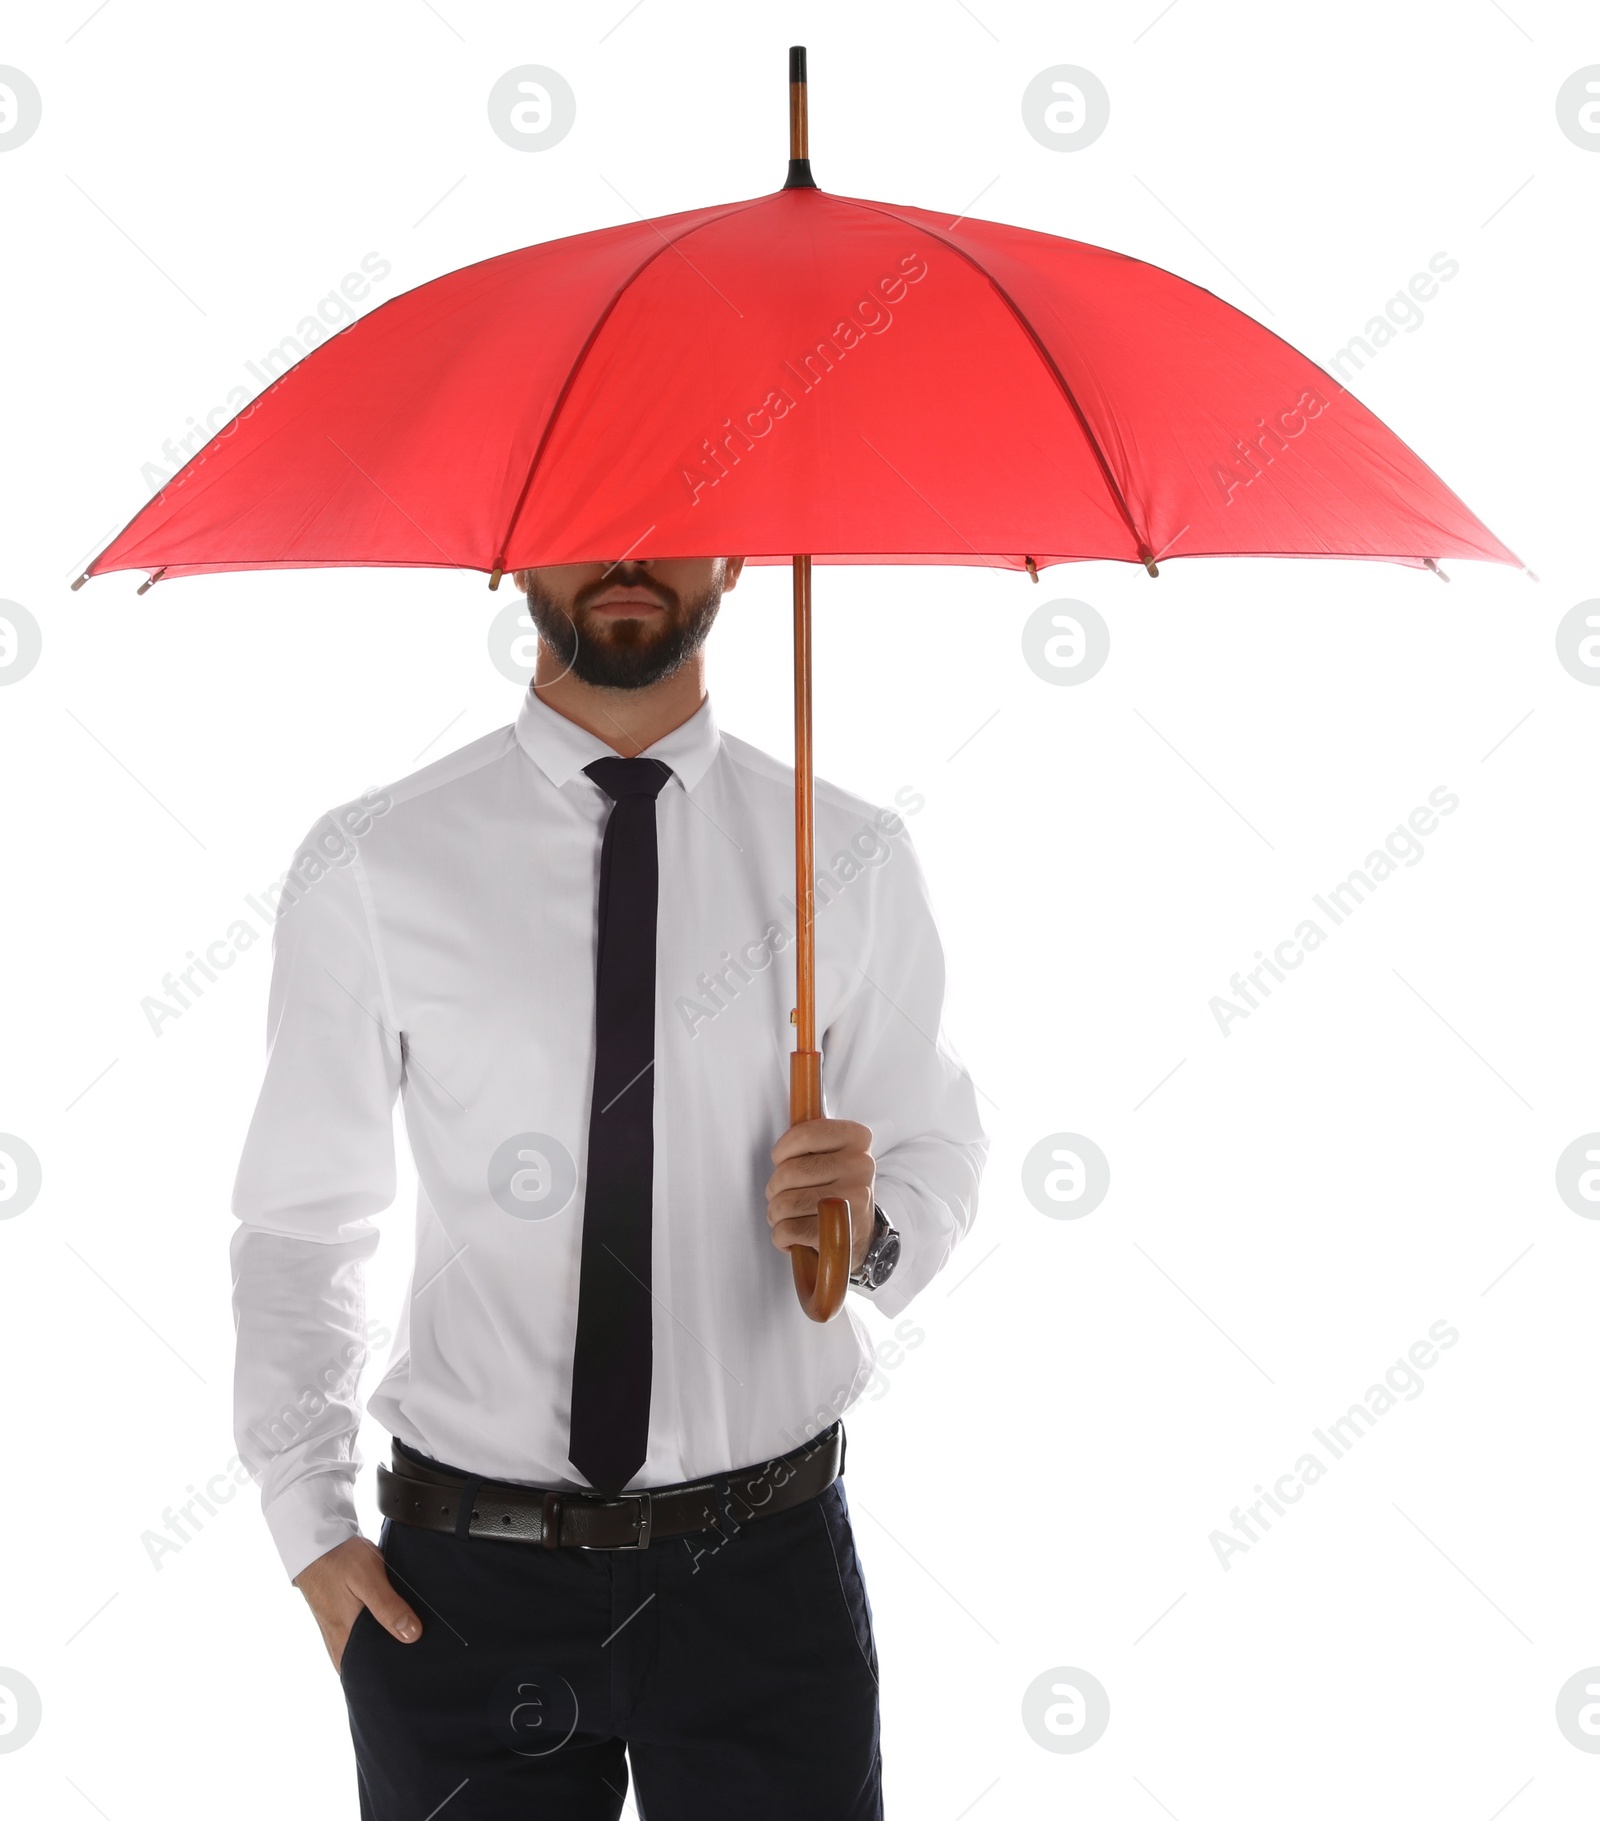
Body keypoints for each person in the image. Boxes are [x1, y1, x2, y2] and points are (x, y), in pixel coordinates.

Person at [231, 555, 986, 1818]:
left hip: (767, 1580)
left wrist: (861, 1230)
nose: (628, 552)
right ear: (520, 547)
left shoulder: (846, 853)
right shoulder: (375, 861)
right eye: (590, 515)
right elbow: (303, 1217)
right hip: (464, 1595)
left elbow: (936, 1152)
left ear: (739, 552)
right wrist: (309, 1527)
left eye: (675, 508)